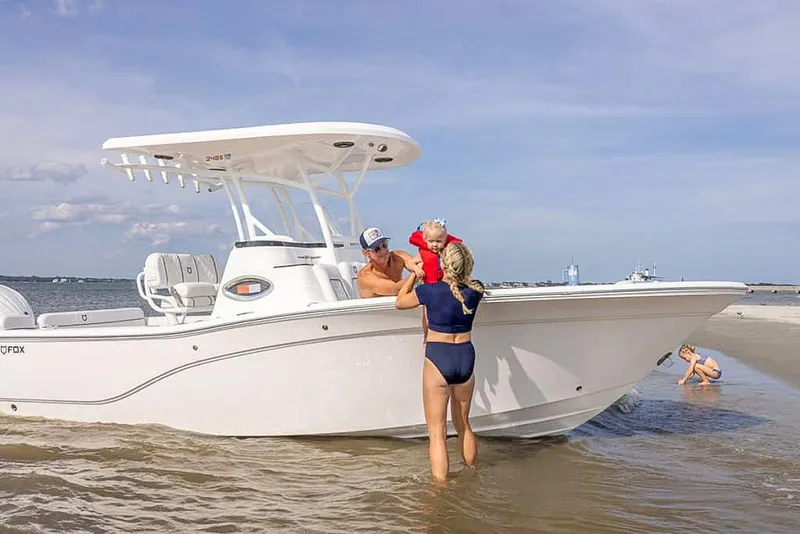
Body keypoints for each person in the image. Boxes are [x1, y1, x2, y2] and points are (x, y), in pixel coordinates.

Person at [395, 241, 486, 483]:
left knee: (437, 434)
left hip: (438, 357)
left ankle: (439, 492)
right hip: (465, 357)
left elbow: (399, 302)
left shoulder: (430, 291)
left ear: (444, 265)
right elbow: (465, 279)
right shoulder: (476, 291)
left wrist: (415, 274)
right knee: (464, 425)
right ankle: (472, 473)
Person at [408, 218, 462, 345]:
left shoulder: (447, 253)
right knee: (426, 315)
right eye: (431, 241)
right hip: (430, 288)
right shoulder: (423, 253)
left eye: (439, 241)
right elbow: (410, 263)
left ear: (445, 240)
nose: (435, 245)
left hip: (444, 288)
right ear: (425, 240)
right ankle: (426, 336)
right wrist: (416, 268)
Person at [356, 226, 422, 298]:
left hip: (396, 306)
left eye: (384, 245)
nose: (383, 251)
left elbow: (416, 263)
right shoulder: (365, 277)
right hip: (379, 309)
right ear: (366, 253)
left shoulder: (397, 256)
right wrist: (419, 271)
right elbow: (396, 289)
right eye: (377, 249)